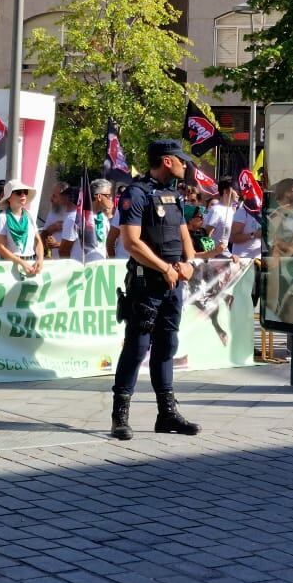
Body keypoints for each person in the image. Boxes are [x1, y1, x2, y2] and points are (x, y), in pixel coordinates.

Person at [110, 139, 200, 440]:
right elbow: (131, 242)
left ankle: (167, 413)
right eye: (180, 160)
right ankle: (119, 415)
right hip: (147, 284)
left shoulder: (174, 195)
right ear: (166, 161)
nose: (185, 165)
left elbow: (185, 235)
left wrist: (189, 263)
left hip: (174, 284)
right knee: (137, 348)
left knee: (167, 347)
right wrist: (164, 268)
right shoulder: (136, 194)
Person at [0, 179, 44, 277]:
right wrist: (21, 262)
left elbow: (37, 241)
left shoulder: (29, 216)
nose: (23, 195)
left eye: (25, 192)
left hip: (31, 263)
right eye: (18, 192)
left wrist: (40, 259)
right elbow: (0, 247)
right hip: (10, 265)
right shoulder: (2, 217)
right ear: (8, 197)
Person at [76, 180, 115, 264]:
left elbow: (104, 246)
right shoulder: (79, 218)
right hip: (81, 269)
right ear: (99, 197)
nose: (111, 199)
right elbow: (66, 248)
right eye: (108, 196)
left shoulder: (104, 219)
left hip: (98, 270)